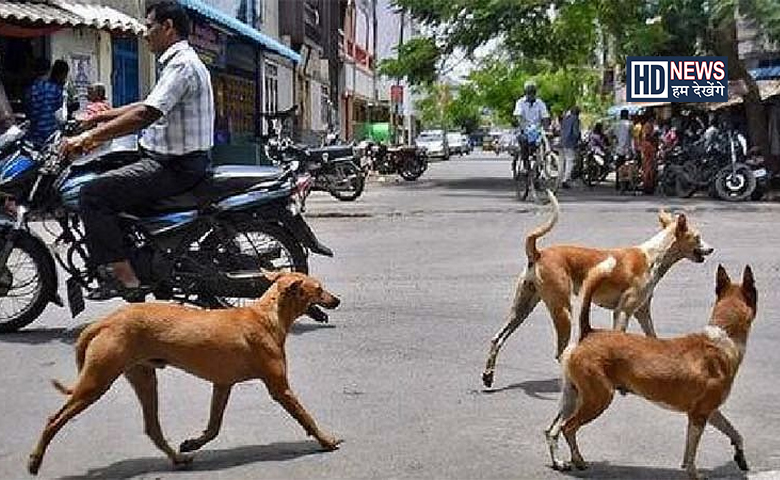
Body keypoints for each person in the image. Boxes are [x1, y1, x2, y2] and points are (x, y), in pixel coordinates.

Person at [61, 1, 214, 300]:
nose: (145, 34)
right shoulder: (177, 61)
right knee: (107, 172)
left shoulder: (181, 64)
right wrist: (99, 117)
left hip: (174, 166)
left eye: (149, 27)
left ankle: (126, 278)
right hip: (168, 159)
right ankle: (140, 255)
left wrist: (87, 138)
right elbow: (148, 103)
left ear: (168, 27)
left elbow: (146, 114)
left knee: (93, 194)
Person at [512, 81, 550, 175]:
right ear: (525, 92)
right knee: (524, 141)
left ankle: (539, 168)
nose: (531, 95)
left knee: (544, 141)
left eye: (533, 92)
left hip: (536, 130)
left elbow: (545, 117)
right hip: (524, 130)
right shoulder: (520, 102)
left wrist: (546, 129)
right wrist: (524, 128)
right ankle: (526, 166)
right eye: (529, 93)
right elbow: (518, 117)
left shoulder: (540, 103)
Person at [25, 59, 65, 146]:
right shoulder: (55, 88)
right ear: (49, 70)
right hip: (51, 130)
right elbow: (58, 107)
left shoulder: (31, 89)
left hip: (35, 132)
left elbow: (28, 109)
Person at [559, 106, 580, 189]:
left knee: (561, 162)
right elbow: (575, 132)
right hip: (570, 143)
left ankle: (559, 179)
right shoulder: (575, 119)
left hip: (562, 142)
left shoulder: (565, 119)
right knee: (570, 161)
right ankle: (565, 180)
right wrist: (578, 139)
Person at [640, 115, 658, 194]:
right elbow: (647, 136)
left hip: (648, 148)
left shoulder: (646, 126)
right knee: (648, 169)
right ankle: (648, 186)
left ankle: (648, 186)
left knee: (649, 168)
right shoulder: (648, 126)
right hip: (648, 148)